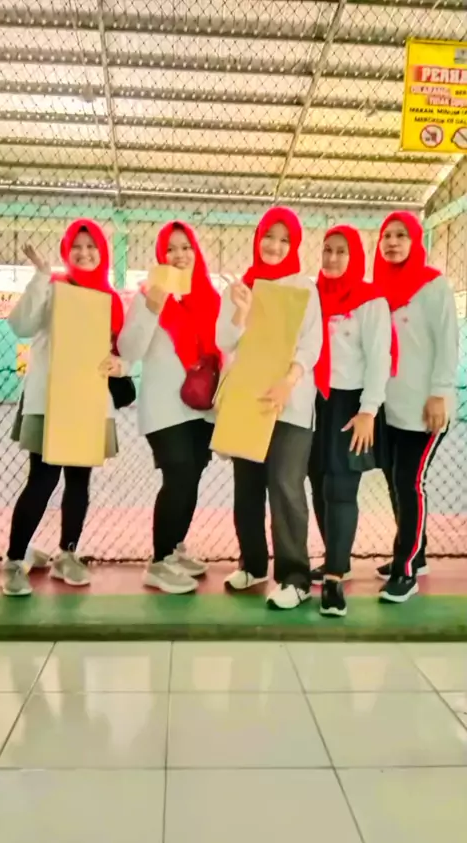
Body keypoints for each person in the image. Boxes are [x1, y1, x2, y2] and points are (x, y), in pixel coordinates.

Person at [3, 219, 127, 596]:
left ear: (103, 253)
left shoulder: (110, 300)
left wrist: (119, 365)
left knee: (78, 480)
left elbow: (119, 352)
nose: (85, 253)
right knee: (42, 480)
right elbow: (21, 325)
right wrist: (41, 276)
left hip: (89, 403)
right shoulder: (53, 289)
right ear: (67, 251)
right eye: (78, 246)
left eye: (92, 247)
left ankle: (68, 554)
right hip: (50, 402)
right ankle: (14, 559)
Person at [217, 207, 322, 610]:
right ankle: (254, 564)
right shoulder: (241, 287)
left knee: (285, 485)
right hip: (248, 401)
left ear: (293, 245)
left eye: (284, 239)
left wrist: (288, 382)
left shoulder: (304, 288)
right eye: (268, 237)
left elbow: (311, 344)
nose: (275, 246)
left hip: (290, 404)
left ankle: (295, 577)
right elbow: (225, 340)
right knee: (247, 487)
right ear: (257, 238)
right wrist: (240, 311)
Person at [118, 221, 221, 595]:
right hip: (164, 409)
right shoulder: (148, 296)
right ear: (161, 257)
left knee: (192, 476)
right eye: (170, 249)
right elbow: (128, 350)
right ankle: (159, 562)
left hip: (203, 407)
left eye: (185, 247)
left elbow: (224, 347)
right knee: (177, 476)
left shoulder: (211, 297)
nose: (179, 255)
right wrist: (151, 309)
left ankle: (175, 547)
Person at [373, 212, 458, 603]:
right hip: (391, 408)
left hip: (425, 410)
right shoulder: (378, 289)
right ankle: (415, 554)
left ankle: (404, 570)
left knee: (409, 482)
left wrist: (439, 392)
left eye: (401, 235)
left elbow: (447, 343)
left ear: (416, 240)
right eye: (387, 235)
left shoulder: (434, 286)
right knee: (395, 480)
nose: (392, 242)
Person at [308, 225, 392, 617]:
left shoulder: (371, 301)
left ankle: (334, 580)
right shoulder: (311, 297)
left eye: (341, 251)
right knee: (318, 481)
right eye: (327, 249)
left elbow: (379, 358)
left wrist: (368, 411)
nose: (332, 257)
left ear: (355, 256)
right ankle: (334, 558)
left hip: (351, 405)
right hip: (313, 400)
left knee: (341, 487)